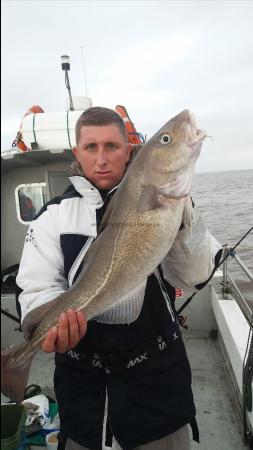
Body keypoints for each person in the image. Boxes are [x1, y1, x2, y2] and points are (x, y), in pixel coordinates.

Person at [16, 107, 222, 450]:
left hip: (157, 382)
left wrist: (184, 214)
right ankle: (16, 362)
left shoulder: (170, 199)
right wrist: (49, 329)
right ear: (77, 152)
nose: (101, 158)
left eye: (111, 146)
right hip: (83, 390)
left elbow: (195, 278)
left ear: (129, 150)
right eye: (91, 147)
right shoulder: (51, 217)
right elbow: (37, 288)